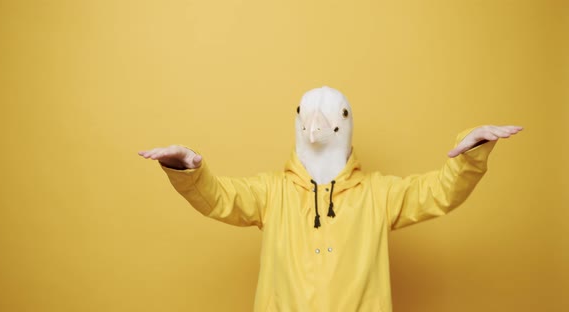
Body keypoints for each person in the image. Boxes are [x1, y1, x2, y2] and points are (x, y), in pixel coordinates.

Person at [138, 86, 522, 311]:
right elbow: (218, 198)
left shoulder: (379, 193)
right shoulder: (271, 192)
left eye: (329, 113)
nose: (316, 123)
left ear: (344, 120)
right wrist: (188, 170)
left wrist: (473, 151)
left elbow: (439, 192)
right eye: (307, 113)